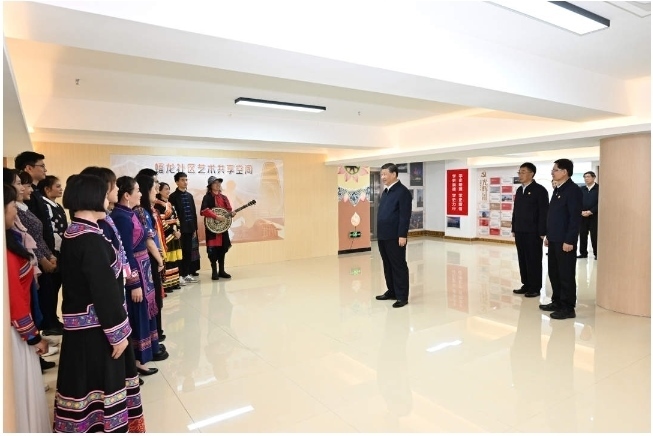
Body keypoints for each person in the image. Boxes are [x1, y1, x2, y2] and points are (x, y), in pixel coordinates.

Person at [53, 174, 145, 433]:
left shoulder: (78, 231)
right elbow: (103, 290)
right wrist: (118, 335)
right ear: (93, 197)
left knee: (85, 387)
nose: (108, 200)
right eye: (105, 194)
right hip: (97, 331)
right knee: (102, 388)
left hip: (87, 329)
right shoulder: (89, 239)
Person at [4, 184, 51, 433]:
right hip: (15, 332)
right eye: (13, 206)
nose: (16, 212)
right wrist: (33, 336)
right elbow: (14, 299)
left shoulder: (10, 239)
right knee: (20, 389)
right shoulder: (6, 253)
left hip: (18, 326)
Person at [112, 176, 168, 379]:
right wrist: (134, 282)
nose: (141, 194)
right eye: (137, 190)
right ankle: (136, 361)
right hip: (136, 273)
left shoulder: (130, 213)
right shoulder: (121, 217)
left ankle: (142, 357)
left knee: (145, 312)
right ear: (127, 195)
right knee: (137, 314)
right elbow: (125, 252)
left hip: (144, 268)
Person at [15, 151, 62, 336]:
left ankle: (50, 322)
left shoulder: (35, 195)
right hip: (34, 257)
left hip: (45, 252)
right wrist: (43, 257)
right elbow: (30, 234)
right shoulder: (24, 202)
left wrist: (49, 254)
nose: (45, 169)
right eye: (41, 166)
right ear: (28, 168)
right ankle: (45, 326)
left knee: (49, 292)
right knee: (41, 295)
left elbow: (40, 231)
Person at [541, 159, 583, 320]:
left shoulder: (573, 190)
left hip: (565, 241)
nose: (552, 172)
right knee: (554, 273)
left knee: (566, 275)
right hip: (554, 239)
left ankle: (568, 307)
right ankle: (557, 301)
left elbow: (574, 218)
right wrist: (549, 236)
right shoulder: (558, 189)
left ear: (565, 172)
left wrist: (570, 240)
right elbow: (554, 216)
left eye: (555, 170)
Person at [374, 163, 413, 308]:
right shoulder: (386, 192)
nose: (382, 177)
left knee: (398, 265)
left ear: (394, 174)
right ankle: (392, 291)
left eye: (385, 174)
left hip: (395, 236)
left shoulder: (403, 192)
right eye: (381, 174)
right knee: (387, 264)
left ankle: (402, 296)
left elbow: (404, 216)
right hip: (383, 235)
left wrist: (402, 235)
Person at [135, 173, 167, 342]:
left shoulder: (149, 210)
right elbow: (148, 239)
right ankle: (154, 335)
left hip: (153, 256)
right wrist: (159, 259)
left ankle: (157, 332)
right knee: (153, 298)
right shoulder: (140, 211)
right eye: (154, 187)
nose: (156, 190)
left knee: (156, 296)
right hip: (148, 259)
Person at [511, 162, 549, 298]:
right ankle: (526, 284)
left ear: (531, 174)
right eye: (519, 172)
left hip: (533, 232)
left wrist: (542, 232)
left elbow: (544, 212)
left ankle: (535, 287)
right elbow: (516, 211)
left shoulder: (540, 190)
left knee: (533, 259)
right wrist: (514, 227)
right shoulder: (519, 190)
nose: (520, 175)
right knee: (522, 258)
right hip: (520, 230)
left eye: (523, 172)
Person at [37, 174, 68, 310]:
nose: (61, 189)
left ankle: (53, 315)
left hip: (60, 250)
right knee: (50, 287)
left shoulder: (57, 206)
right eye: (58, 186)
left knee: (57, 285)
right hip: (52, 250)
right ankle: (49, 317)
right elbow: (51, 231)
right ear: (47, 189)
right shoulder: (45, 206)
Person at [200, 176, 235, 280]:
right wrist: (216, 216)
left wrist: (231, 214)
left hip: (222, 228)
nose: (218, 184)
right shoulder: (207, 197)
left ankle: (222, 271)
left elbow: (228, 210)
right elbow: (203, 211)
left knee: (222, 249)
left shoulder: (224, 198)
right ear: (210, 185)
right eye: (215, 183)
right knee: (212, 251)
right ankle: (214, 271)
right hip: (212, 229)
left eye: (219, 183)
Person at [168, 172, 200, 283]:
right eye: (182, 180)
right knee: (180, 253)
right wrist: (176, 230)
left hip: (190, 229)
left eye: (186, 180)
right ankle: (180, 275)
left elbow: (193, 213)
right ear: (177, 182)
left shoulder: (190, 196)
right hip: (179, 231)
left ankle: (186, 273)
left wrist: (195, 229)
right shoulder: (173, 197)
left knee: (188, 252)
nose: (185, 182)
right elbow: (172, 215)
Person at [155, 182, 183, 291]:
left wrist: (178, 230)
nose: (168, 191)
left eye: (169, 189)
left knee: (174, 260)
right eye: (166, 189)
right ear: (160, 191)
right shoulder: (158, 205)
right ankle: (167, 285)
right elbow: (161, 221)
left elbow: (176, 218)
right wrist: (172, 231)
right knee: (168, 260)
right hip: (166, 235)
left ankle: (175, 282)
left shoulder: (170, 204)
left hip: (175, 235)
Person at [578, 171, 599, 260]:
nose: (586, 178)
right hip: (582, 215)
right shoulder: (581, 189)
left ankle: (597, 253)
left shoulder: (599, 189)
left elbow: (600, 203)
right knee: (582, 234)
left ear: (594, 178)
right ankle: (583, 253)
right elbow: (577, 201)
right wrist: (581, 211)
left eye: (588, 176)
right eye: (585, 177)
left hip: (594, 216)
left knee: (594, 235)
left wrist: (591, 211)